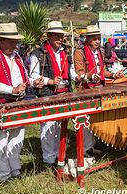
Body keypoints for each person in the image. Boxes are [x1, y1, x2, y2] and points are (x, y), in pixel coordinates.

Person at [0, 23, 42, 182]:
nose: (14, 45)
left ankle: (15, 169)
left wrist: (32, 83)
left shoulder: (18, 57)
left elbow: (24, 78)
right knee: (0, 140)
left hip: (18, 102)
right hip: (0, 103)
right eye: (10, 41)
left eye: (15, 42)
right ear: (0, 39)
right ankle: (3, 175)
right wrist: (12, 89)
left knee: (17, 137)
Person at [30, 21, 76, 166]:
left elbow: (71, 72)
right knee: (48, 126)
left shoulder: (65, 52)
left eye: (61, 35)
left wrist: (81, 77)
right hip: (48, 93)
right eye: (56, 35)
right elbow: (32, 76)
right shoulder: (38, 53)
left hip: (64, 93)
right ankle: (48, 159)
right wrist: (50, 81)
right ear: (49, 36)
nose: (60, 38)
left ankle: (58, 155)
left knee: (60, 126)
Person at [73, 25, 123, 156]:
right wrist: (90, 76)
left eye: (99, 39)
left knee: (95, 120)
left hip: (99, 88)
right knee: (86, 121)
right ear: (88, 39)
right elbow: (79, 72)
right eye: (94, 39)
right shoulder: (80, 51)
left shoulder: (99, 52)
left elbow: (102, 72)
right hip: (85, 90)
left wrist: (113, 75)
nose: (97, 41)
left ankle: (91, 147)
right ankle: (84, 150)